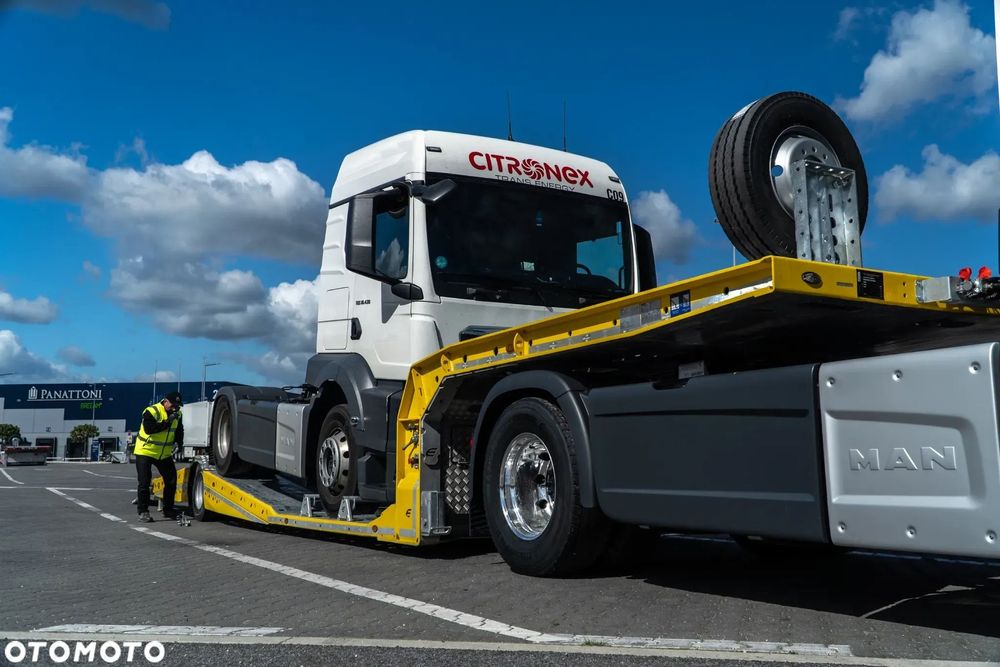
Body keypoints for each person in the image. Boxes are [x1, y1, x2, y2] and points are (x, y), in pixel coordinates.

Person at [134, 391, 184, 522]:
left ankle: (168, 510)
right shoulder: (152, 411)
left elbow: (179, 430)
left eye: (177, 406)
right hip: (145, 451)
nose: (175, 408)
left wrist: (180, 443)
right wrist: (168, 421)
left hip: (164, 453)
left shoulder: (178, 414)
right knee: (144, 482)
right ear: (165, 401)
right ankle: (143, 511)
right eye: (172, 405)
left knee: (172, 480)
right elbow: (149, 429)